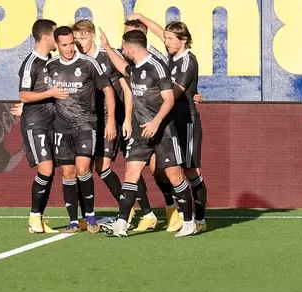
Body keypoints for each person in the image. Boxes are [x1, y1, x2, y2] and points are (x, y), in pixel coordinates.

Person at [99, 29, 197, 237]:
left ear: (132, 49)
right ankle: (122, 224)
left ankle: (189, 222)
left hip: (164, 131)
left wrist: (156, 121)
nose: (122, 51)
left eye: (123, 48)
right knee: (131, 175)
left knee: (174, 176)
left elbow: (169, 99)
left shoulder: (157, 67)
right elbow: (123, 68)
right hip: (139, 132)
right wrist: (107, 47)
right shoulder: (134, 68)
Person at [72, 19, 158, 232]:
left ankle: (144, 211)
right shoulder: (77, 59)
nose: (79, 43)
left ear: (92, 36)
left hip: (118, 119)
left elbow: (128, 89)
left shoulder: (107, 57)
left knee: (130, 166)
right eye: (76, 39)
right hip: (93, 121)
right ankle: (130, 209)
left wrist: (125, 119)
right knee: (99, 168)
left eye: (82, 38)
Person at [128, 14, 208, 233]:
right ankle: (179, 211)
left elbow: (174, 93)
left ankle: (199, 219)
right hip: (168, 121)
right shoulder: (170, 58)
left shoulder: (188, 60)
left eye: (171, 39)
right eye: (166, 39)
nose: (166, 42)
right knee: (158, 168)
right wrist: (141, 18)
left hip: (186, 121)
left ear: (183, 40)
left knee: (191, 170)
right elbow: (158, 31)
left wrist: (153, 97)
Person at [45, 26, 117, 234]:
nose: (69, 48)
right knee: (68, 173)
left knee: (83, 169)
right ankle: (74, 221)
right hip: (62, 127)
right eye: (64, 45)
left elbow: (108, 91)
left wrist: (111, 120)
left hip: (86, 125)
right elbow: (42, 91)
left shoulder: (88, 63)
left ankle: (91, 217)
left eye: (71, 44)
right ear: (57, 44)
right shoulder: (50, 66)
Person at [18, 19, 68, 234]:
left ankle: (38, 218)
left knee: (50, 171)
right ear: (47, 36)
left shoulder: (52, 61)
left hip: (52, 123)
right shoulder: (32, 62)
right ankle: (33, 218)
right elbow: (24, 94)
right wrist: (49, 94)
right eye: (55, 35)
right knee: (45, 169)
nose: (57, 39)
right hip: (35, 123)